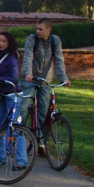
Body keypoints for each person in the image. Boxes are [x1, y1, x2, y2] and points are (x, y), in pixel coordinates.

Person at [20, 18, 71, 155]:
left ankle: (41, 141)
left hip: (45, 80)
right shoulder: (32, 39)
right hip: (31, 79)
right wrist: (28, 73)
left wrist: (63, 78)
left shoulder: (55, 41)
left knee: (43, 110)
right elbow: (28, 57)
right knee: (23, 107)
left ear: (49, 29)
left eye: (40, 29)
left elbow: (59, 59)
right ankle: (17, 135)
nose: (37, 31)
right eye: (36, 28)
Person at [0, 31, 27, 169]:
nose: (1, 44)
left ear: (9, 42)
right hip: (3, 95)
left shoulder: (12, 57)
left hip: (13, 96)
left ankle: (22, 161)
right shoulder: (1, 56)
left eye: (4, 41)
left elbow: (14, 78)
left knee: (15, 128)